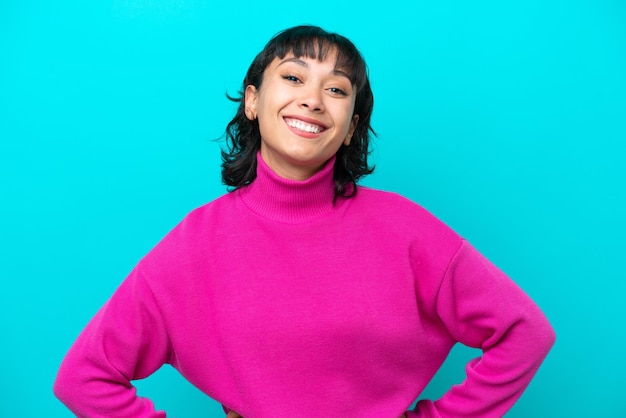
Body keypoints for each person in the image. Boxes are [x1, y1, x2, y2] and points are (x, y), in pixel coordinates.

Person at [54, 25, 555, 417]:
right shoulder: (197, 242)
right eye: (293, 78)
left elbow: (525, 331)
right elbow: (84, 376)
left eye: (336, 90)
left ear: (352, 124)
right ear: (252, 100)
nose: (312, 100)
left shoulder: (406, 229)